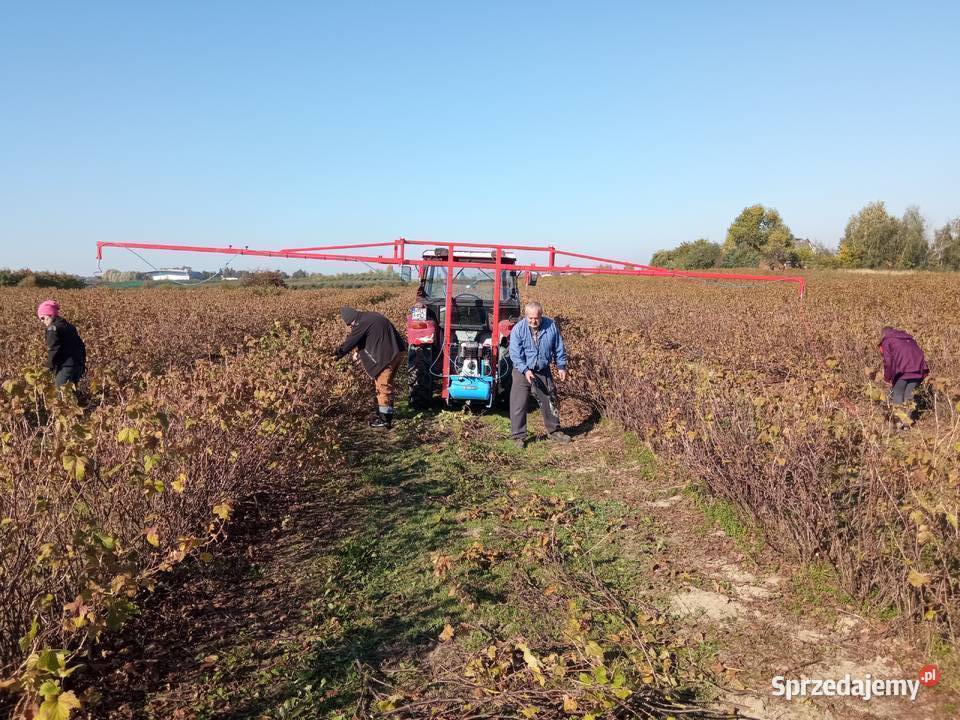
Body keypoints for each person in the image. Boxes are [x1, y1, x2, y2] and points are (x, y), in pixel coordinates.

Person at [508, 301, 571, 448]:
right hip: (521, 369)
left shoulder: (551, 326)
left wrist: (561, 366)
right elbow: (515, 354)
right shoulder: (518, 329)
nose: (533, 321)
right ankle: (518, 436)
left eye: (536, 318)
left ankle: (554, 431)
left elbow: (559, 347)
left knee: (550, 399)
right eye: (530, 318)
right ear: (526, 316)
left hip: (542, 368)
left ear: (541, 316)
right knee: (519, 402)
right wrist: (525, 370)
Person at [334, 307, 407, 429]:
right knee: (387, 384)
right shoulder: (370, 316)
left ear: (351, 320)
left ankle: (385, 421)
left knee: (382, 386)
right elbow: (370, 336)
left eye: (350, 325)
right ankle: (386, 414)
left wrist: (335, 356)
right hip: (397, 351)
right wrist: (359, 351)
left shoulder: (361, 323)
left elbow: (350, 342)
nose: (351, 327)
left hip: (387, 356)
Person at [37, 300, 86, 387]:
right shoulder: (69, 326)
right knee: (71, 395)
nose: (42, 321)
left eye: (43, 318)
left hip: (66, 367)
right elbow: (81, 345)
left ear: (50, 315)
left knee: (61, 395)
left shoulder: (52, 329)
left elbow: (53, 349)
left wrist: (48, 367)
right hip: (78, 365)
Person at [877, 326, 929, 405]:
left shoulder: (887, 340)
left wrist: (887, 378)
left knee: (897, 393)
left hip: (903, 371)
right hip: (918, 370)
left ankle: (898, 416)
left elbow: (888, 361)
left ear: (883, 334)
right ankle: (909, 416)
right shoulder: (908, 338)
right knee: (908, 396)